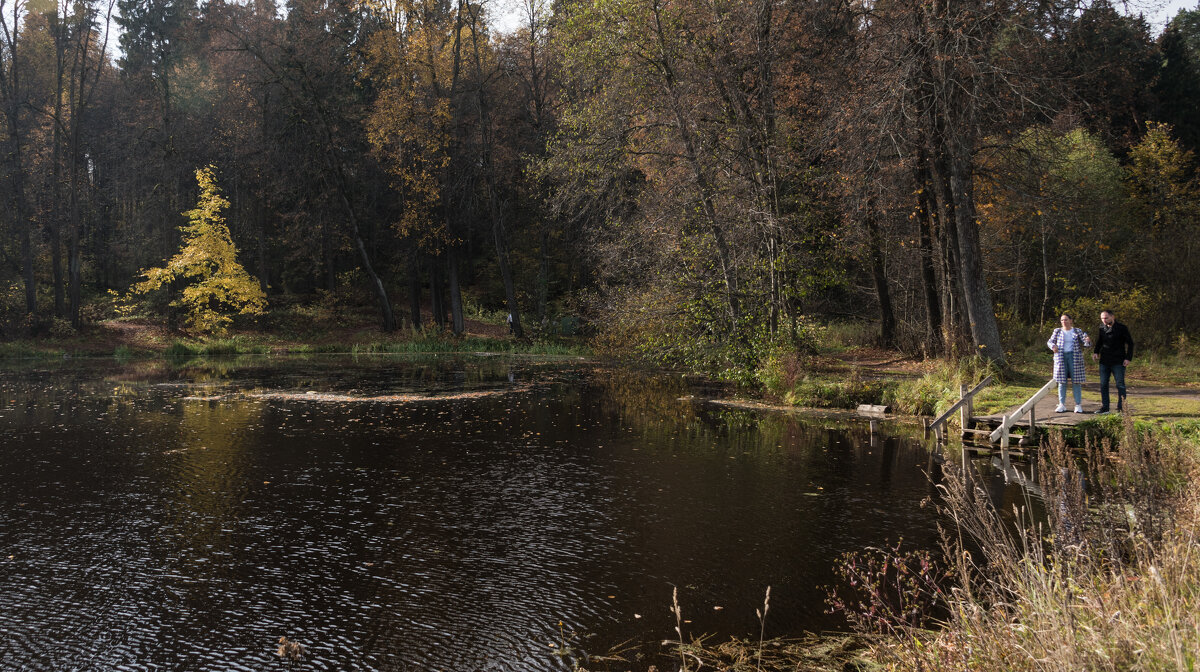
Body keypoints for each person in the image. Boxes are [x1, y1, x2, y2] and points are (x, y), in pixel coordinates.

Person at [1091, 309, 1134, 413]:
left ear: (1112, 317)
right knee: (1103, 384)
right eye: (1102, 318)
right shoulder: (1102, 327)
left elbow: (1131, 343)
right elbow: (1100, 341)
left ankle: (1121, 409)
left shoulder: (1122, 328)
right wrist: (1096, 352)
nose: (1104, 320)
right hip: (1104, 361)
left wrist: (1128, 358)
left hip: (1118, 361)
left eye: (1106, 318)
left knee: (1120, 385)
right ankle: (1105, 408)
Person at [1048, 313, 1091, 413]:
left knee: (1076, 381)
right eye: (1062, 320)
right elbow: (1050, 341)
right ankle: (1062, 404)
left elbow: (1085, 344)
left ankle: (1078, 405)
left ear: (1071, 320)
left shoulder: (1077, 331)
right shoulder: (1057, 331)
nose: (1064, 322)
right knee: (1062, 382)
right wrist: (1053, 346)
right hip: (1061, 357)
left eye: (1066, 320)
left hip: (1075, 357)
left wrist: (1087, 341)